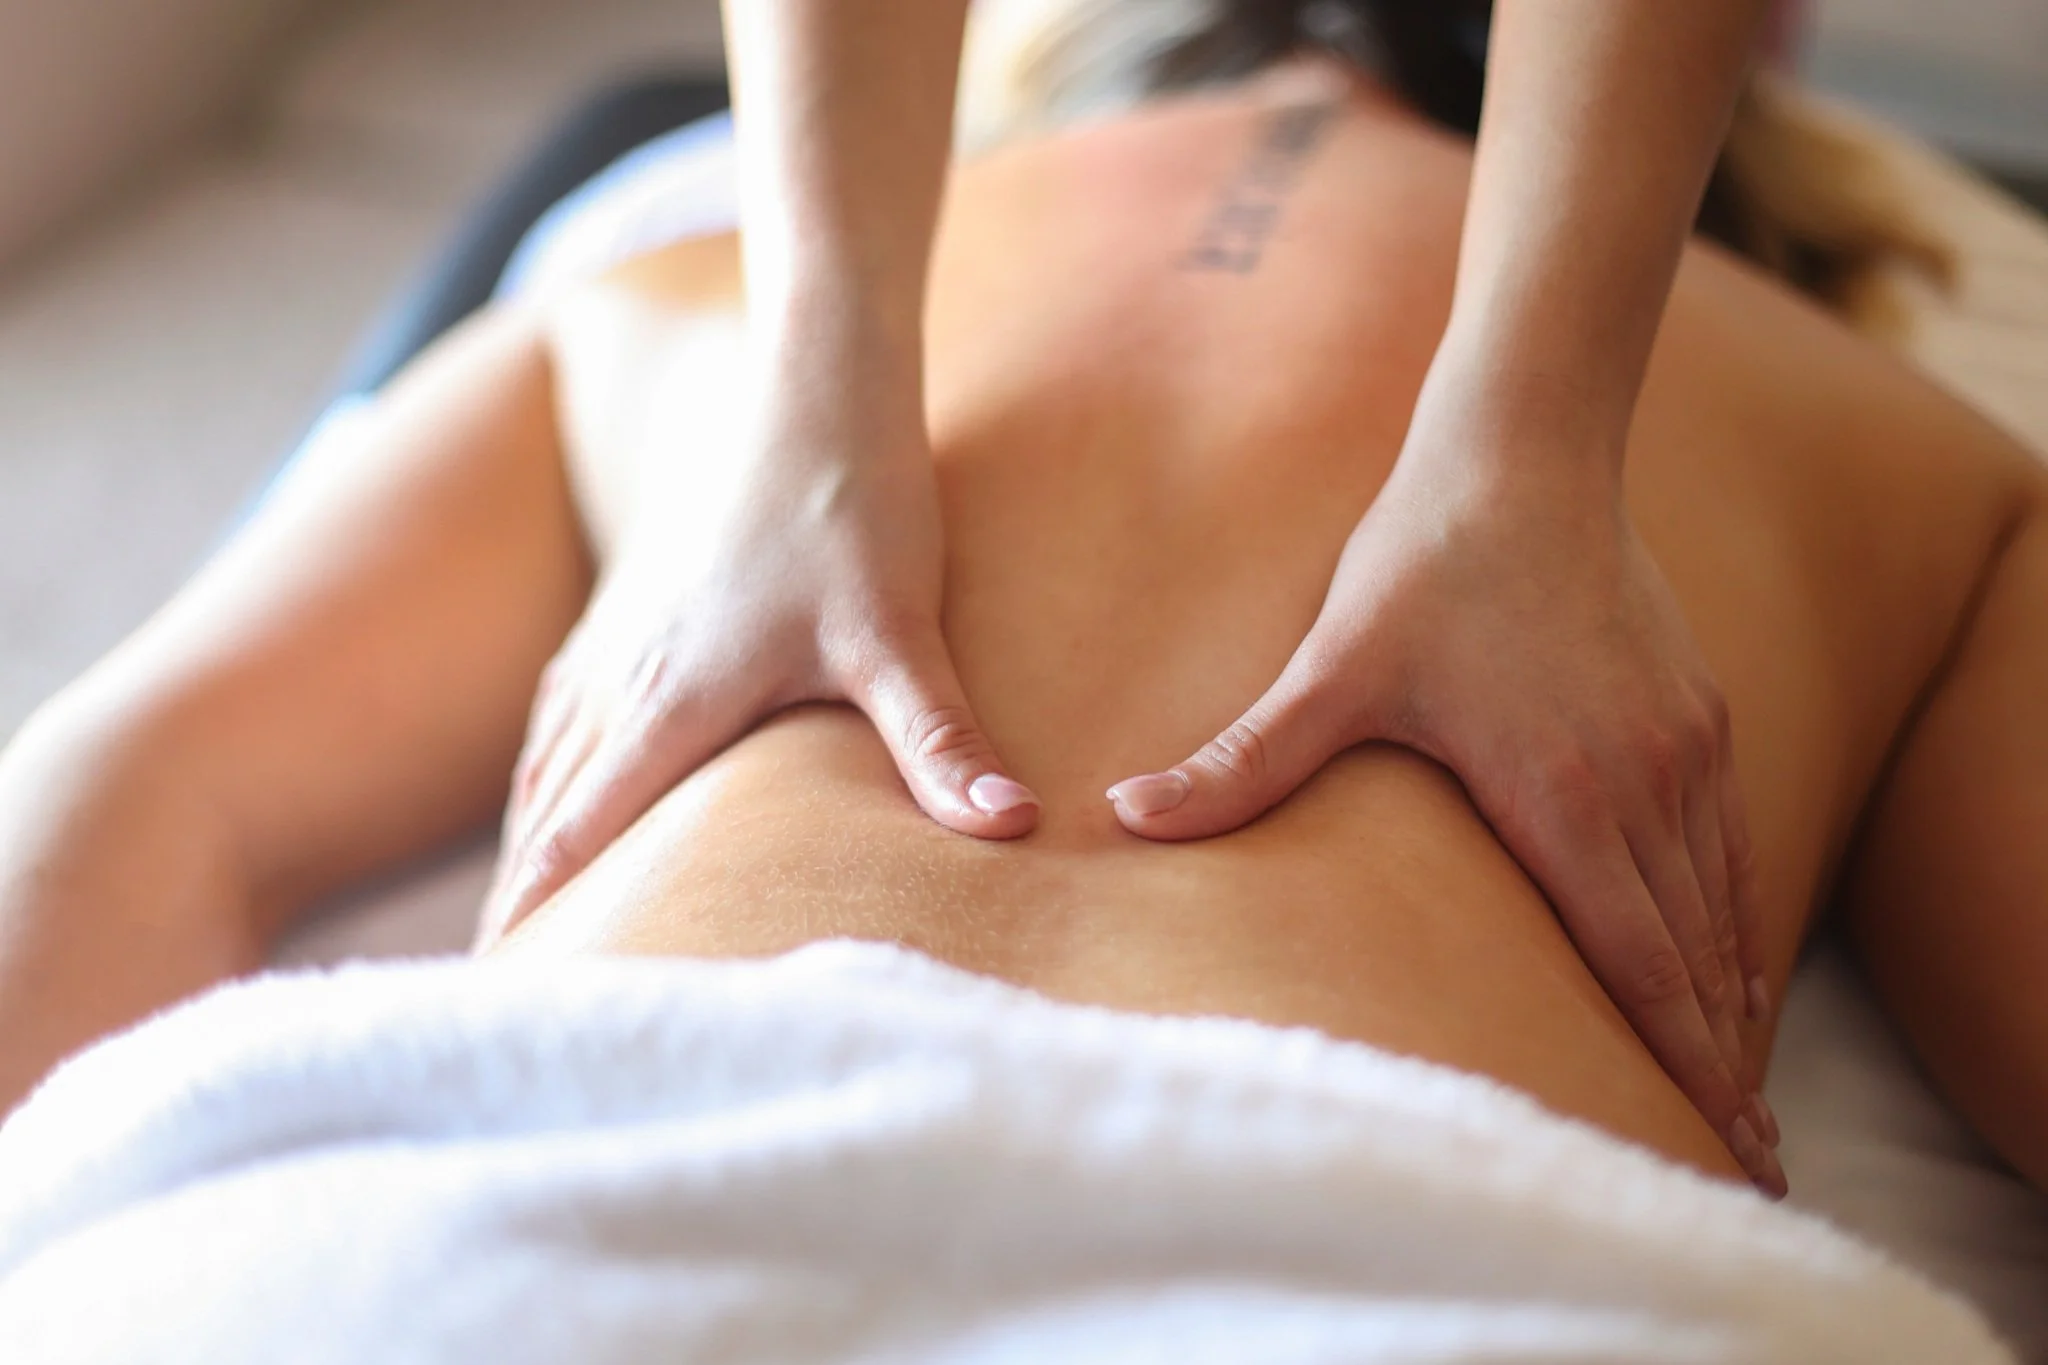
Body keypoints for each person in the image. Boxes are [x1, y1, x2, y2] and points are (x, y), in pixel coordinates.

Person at [0, 0, 2037, 1206]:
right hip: (1422, 1260)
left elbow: (111, 793)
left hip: (557, 1199)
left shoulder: (638, 297)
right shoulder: (1910, 462)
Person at [484, 0, 1794, 1173]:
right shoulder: (1854, 418)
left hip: (606, 1135)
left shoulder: (646, 300)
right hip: (1417, 1216)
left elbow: (263, 790)